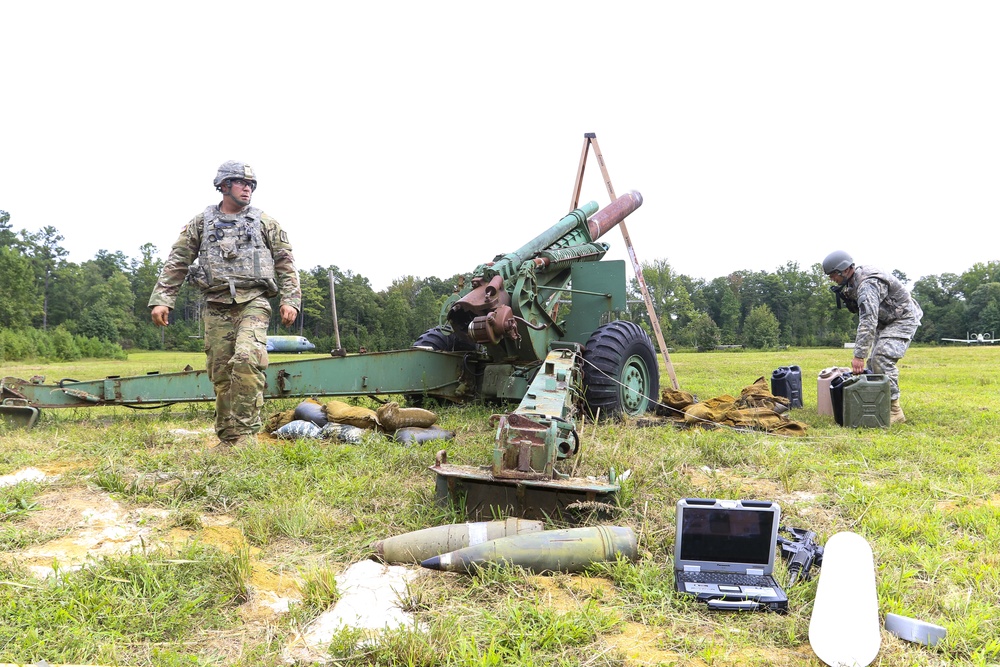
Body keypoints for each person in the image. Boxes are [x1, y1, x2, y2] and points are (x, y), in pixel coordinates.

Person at [149, 161, 301, 447]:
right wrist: (162, 300)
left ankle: (246, 435)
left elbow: (286, 263)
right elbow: (178, 260)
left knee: (246, 359)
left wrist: (290, 300)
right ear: (223, 186)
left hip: (252, 301)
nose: (248, 188)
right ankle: (228, 438)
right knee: (221, 373)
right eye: (241, 183)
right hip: (216, 304)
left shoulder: (265, 222)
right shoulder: (201, 223)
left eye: (251, 184)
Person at [823, 250, 922, 424]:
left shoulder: (868, 284)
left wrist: (859, 355)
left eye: (833, 275)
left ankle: (895, 411)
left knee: (881, 359)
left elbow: (868, 320)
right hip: (885, 320)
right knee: (873, 366)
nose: (832, 279)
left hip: (903, 318)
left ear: (843, 270)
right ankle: (878, 405)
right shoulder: (854, 282)